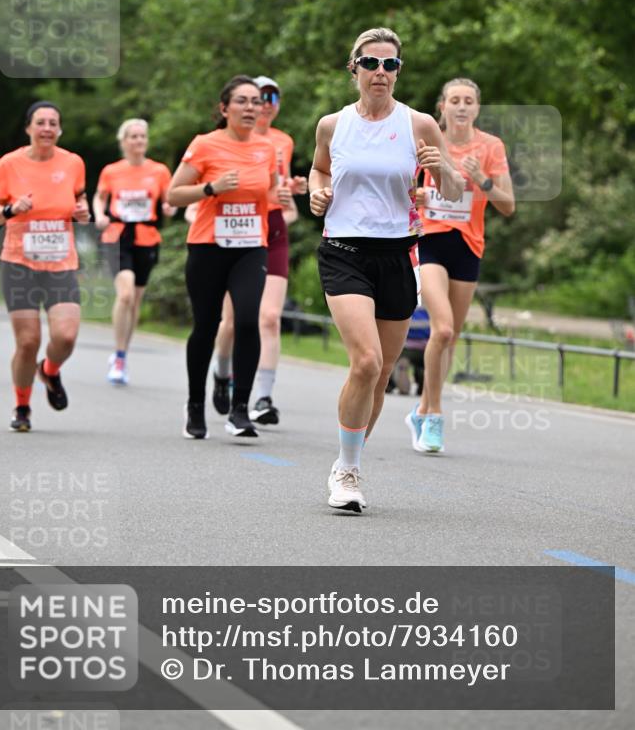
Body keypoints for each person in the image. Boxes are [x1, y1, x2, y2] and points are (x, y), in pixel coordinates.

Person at [309, 28, 463, 512]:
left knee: (380, 377)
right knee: (367, 361)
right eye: (371, 63)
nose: (380, 72)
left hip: (398, 254)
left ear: (399, 71)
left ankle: (344, 461)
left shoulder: (418, 124)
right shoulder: (332, 125)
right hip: (344, 250)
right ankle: (349, 474)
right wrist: (317, 191)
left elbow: (455, 192)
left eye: (390, 65)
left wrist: (441, 169)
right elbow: (319, 170)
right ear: (352, 68)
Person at [168, 75, 289, 440]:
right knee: (205, 327)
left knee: (249, 320)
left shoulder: (266, 148)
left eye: (256, 101)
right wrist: (210, 188)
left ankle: (240, 410)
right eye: (242, 101)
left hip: (251, 246)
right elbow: (174, 195)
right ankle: (194, 405)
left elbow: (265, 195)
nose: (252, 107)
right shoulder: (205, 145)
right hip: (208, 246)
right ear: (224, 109)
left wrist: (284, 194)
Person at [405, 77, 515, 454]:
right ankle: (434, 414)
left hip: (468, 246)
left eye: (469, 100)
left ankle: (421, 409)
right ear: (443, 106)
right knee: (444, 327)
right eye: (455, 100)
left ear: (477, 108)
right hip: (429, 240)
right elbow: (400, 189)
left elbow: (508, 204)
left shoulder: (490, 147)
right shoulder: (424, 139)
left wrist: (482, 178)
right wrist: (415, 195)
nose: (462, 106)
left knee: (451, 336)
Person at [0, 101, 90, 431]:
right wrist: (12, 209)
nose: (47, 128)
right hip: (19, 263)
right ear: (29, 128)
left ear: (59, 129)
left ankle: (51, 371)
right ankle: (22, 405)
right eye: (40, 122)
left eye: (53, 123)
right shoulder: (9, 164)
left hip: (61, 262)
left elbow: (79, 198)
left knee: (66, 336)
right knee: (28, 341)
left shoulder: (73, 163)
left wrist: (81, 212)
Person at [211, 75, 308, 425]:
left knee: (269, 318)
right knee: (233, 321)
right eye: (258, 96)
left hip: (274, 228)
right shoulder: (228, 141)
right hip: (240, 228)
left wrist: (292, 191)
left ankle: (263, 397)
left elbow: (277, 186)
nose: (266, 103)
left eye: (273, 96)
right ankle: (222, 374)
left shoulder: (284, 141)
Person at [93, 119, 176, 384]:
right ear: (123, 141)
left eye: (143, 136)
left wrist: (169, 209)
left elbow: (170, 199)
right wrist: (99, 215)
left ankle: (123, 354)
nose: (139, 141)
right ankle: (118, 356)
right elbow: (99, 197)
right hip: (117, 236)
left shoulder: (159, 171)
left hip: (147, 237)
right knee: (125, 294)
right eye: (133, 137)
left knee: (136, 300)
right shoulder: (111, 171)